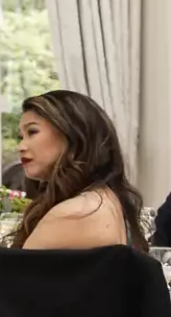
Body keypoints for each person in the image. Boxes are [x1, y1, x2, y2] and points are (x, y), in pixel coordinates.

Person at [11, 89, 145, 251]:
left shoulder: (76, 214)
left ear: (73, 135)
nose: (21, 147)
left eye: (32, 132)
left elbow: (11, 276)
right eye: (21, 137)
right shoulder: (105, 198)